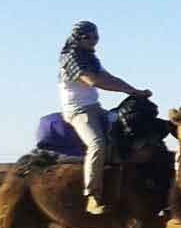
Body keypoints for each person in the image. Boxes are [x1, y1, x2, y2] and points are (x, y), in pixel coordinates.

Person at [56, 20, 152, 214]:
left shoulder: (90, 57)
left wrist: (134, 91)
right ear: (77, 38)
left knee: (126, 132)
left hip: (95, 108)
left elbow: (110, 77)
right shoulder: (71, 58)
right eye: (88, 37)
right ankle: (92, 195)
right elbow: (94, 81)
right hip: (78, 111)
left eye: (95, 37)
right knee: (97, 144)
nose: (93, 41)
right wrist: (128, 91)